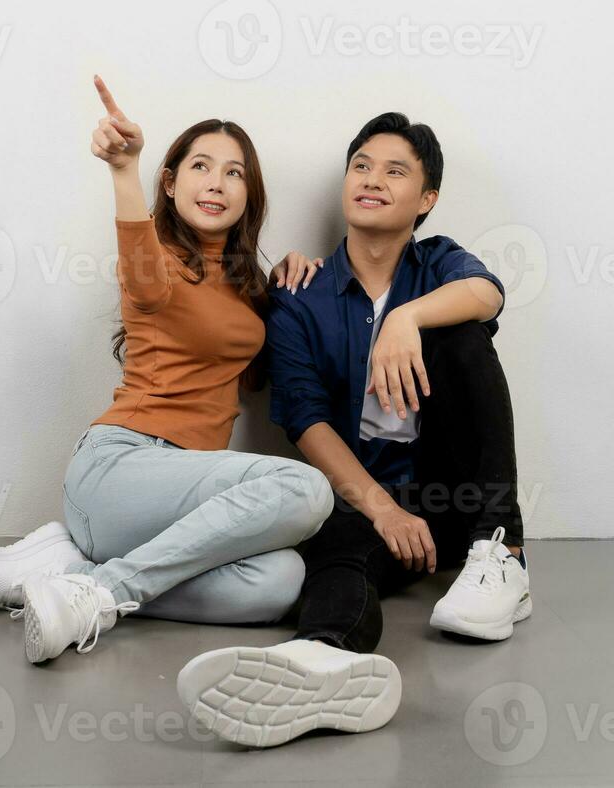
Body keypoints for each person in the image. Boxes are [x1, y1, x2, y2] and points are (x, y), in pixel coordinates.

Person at [0, 76, 334, 666]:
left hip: (172, 506)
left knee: (280, 580)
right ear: (171, 183)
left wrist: (298, 283)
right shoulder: (158, 264)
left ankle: (70, 568)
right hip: (122, 466)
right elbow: (137, 254)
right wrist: (125, 169)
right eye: (201, 166)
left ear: (250, 194)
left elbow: (254, 363)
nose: (217, 183)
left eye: (235, 173)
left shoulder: (248, 288)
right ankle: (99, 595)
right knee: (306, 489)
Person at [177, 112, 530, 748]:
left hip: (453, 500)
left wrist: (407, 319)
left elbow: (489, 293)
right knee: (340, 554)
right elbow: (304, 419)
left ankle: (503, 553)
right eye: (361, 166)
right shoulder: (299, 296)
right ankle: (321, 664)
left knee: (463, 338)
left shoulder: (437, 264)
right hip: (367, 496)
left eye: (396, 171)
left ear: (426, 199)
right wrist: (382, 511)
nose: (372, 180)